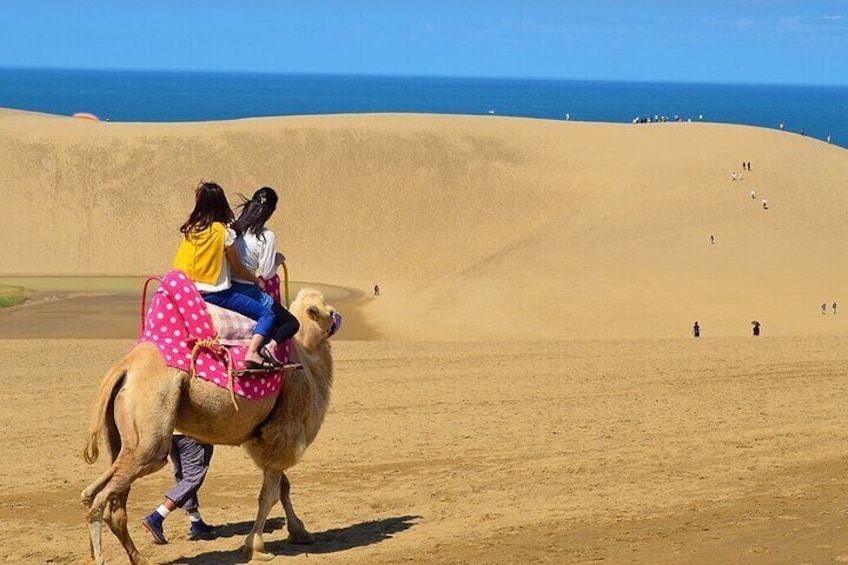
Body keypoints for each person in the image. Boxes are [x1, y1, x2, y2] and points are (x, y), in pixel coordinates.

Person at [172, 181, 279, 370]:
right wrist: (256, 280)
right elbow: (238, 268)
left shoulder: (191, 228)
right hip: (216, 294)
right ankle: (253, 353)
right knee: (268, 314)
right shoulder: (225, 233)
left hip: (189, 292)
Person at [231, 186, 300, 364]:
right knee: (291, 323)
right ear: (270, 213)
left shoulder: (234, 229)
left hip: (226, 287)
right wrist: (277, 260)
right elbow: (268, 273)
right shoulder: (266, 236)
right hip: (247, 289)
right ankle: (268, 347)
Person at [142, 434, 215, 544]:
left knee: (182, 477)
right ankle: (157, 517)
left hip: (173, 434)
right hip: (192, 434)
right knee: (191, 479)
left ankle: (196, 521)